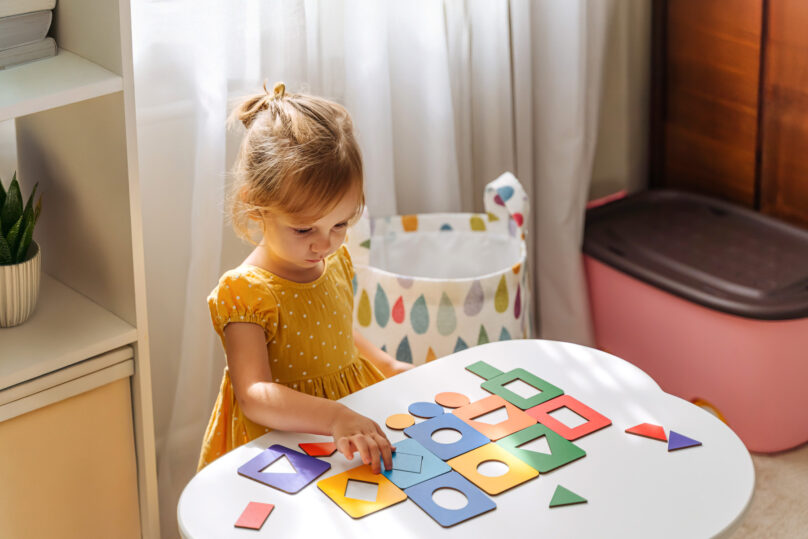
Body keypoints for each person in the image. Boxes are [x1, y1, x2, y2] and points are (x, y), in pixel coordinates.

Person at [198, 82, 413, 474]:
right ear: (255, 206)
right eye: (304, 229)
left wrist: (388, 364)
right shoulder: (246, 292)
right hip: (281, 445)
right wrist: (333, 417)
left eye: (340, 224)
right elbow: (254, 394)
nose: (324, 243)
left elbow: (336, 333)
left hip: (345, 425)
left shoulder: (334, 260)